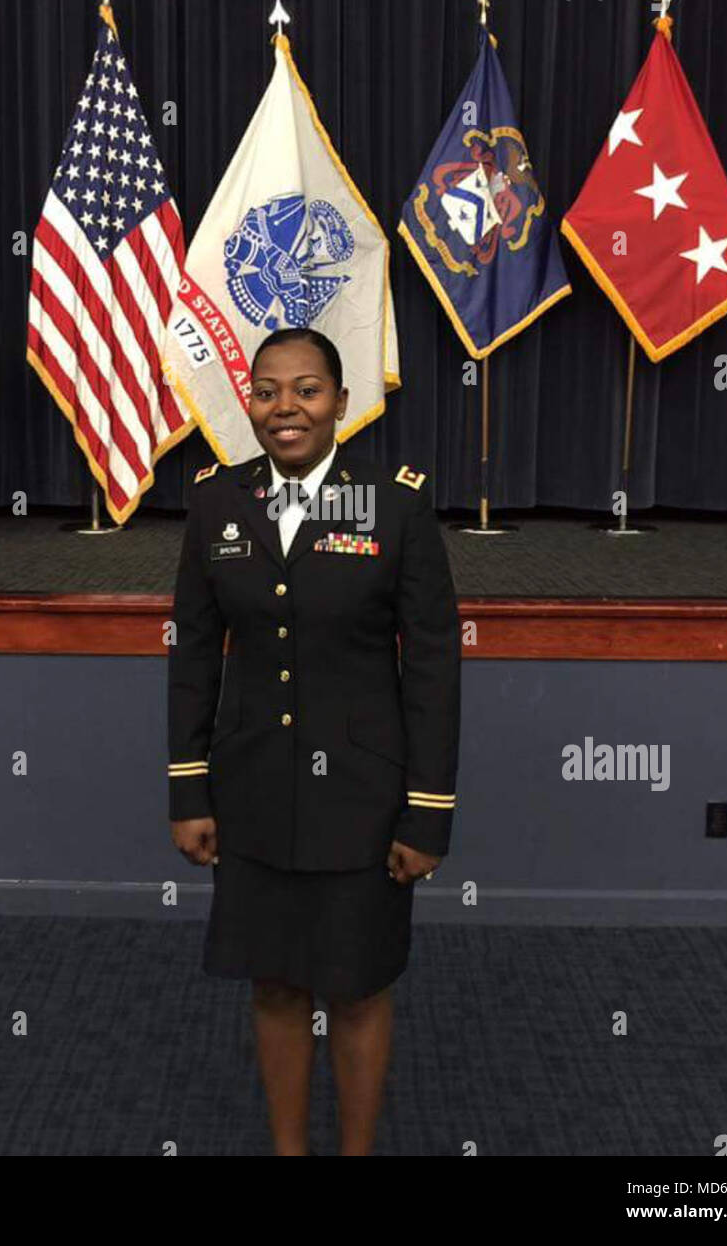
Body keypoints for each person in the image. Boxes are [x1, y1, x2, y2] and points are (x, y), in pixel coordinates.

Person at [167, 328, 461, 1156]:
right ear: (248, 400)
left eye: (306, 390)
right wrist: (189, 790)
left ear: (340, 400)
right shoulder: (218, 502)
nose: (284, 407)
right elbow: (193, 655)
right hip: (254, 790)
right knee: (274, 985)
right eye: (266, 390)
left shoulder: (392, 502)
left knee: (359, 989)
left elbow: (434, 669)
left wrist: (425, 814)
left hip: (364, 801)